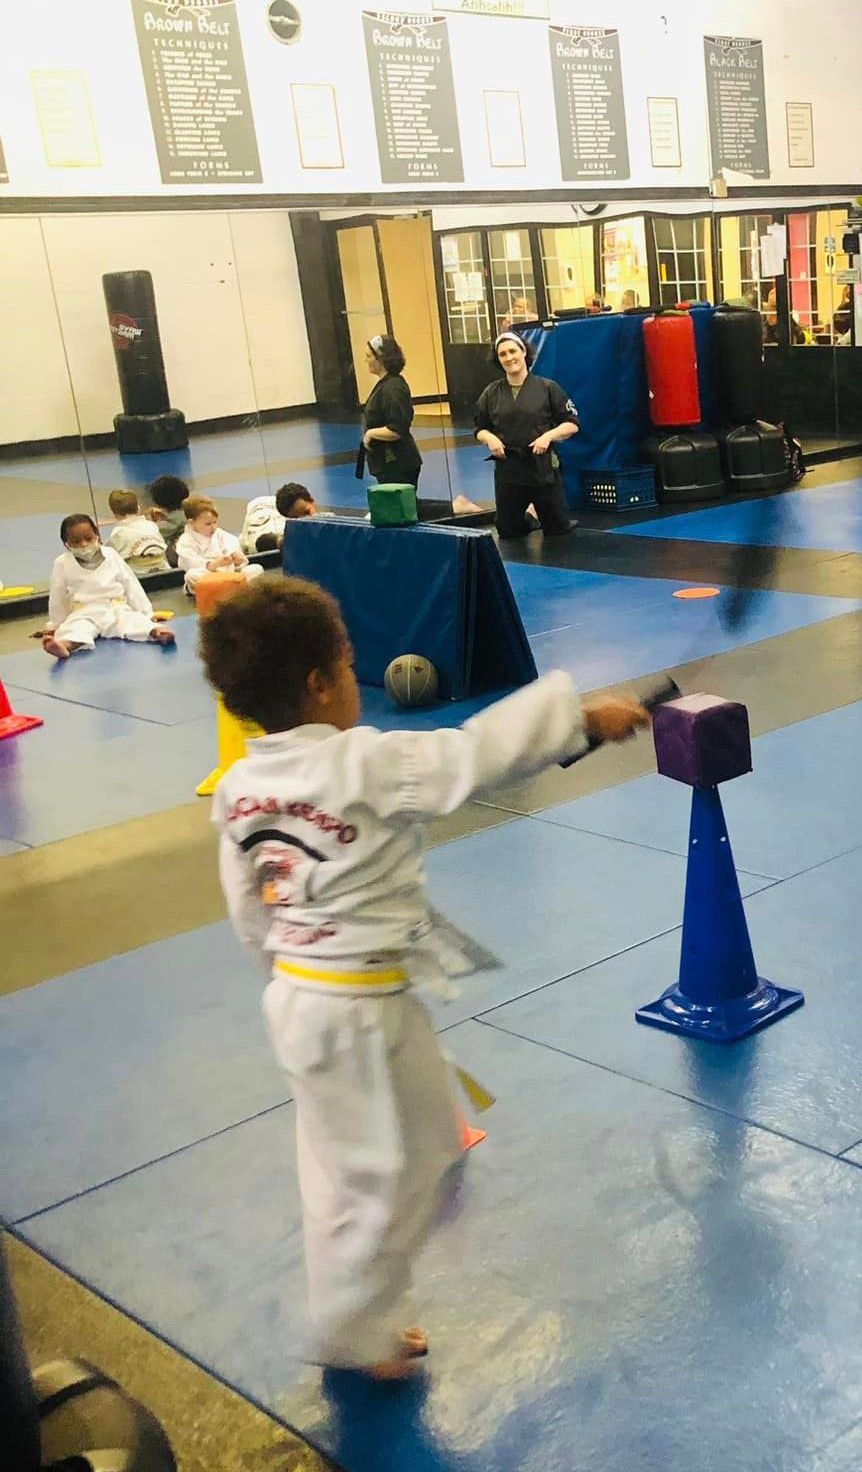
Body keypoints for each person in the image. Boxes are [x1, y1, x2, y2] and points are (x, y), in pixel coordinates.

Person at [201, 576, 650, 1377]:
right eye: (349, 665)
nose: (356, 679)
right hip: (354, 1012)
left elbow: (247, 903)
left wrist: (287, 968)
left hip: (312, 998)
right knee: (376, 1179)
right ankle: (352, 1330)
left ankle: (359, 1307)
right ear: (321, 683)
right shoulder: (365, 762)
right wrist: (582, 718)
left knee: (409, 1148)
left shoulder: (239, 788)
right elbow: (475, 755)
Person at [474, 331, 580, 539]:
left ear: (523, 352)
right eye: (502, 354)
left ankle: (540, 512)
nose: (509, 357)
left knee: (558, 529)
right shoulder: (491, 393)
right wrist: (490, 438)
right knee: (508, 531)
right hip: (509, 469)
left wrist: (548, 436)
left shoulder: (548, 388)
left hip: (541, 467)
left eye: (512, 351)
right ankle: (530, 516)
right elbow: (480, 428)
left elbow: (572, 424)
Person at [39, 514, 175, 661]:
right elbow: (57, 595)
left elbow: (130, 583)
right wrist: (55, 624)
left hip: (115, 607)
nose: (84, 544)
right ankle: (65, 645)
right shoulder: (62, 563)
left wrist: (146, 612)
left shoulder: (111, 555)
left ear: (97, 535)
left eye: (88, 538)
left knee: (133, 621)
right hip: (85, 612)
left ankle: (157, 632)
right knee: (76, 629)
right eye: (76, 542)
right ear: (66, 544)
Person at [359, 335, 424, 490]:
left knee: (401, 502)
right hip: (388, 463)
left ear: (381, 359)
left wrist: (370, 434)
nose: (365, 360)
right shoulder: (385, 385)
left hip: (396, 462)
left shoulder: (393, 388)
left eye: (369, 356)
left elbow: (397, 429)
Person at [176, 496, 261, 594]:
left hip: (230, 574)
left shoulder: (219, 534)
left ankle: (229, 588)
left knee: (255, 569)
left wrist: (236, 559)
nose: (213, 527)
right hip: (209, 576)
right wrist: (213, 565)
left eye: (215, 522)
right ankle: (231, 588)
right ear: (191, 523)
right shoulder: (185, 541)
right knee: (192, 575)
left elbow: (233, 547)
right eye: (208, 524)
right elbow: (190, 563)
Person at [240, 482, 319, 556]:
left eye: (307, 512)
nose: (306, 520)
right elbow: (261, 542)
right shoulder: (289, 537)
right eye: (297, 520)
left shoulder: (325, 524)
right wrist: (281, 542)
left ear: (312, 500)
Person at [105, 488, 168, 575]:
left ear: (114, 513)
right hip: (165, 573)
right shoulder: (152, 526)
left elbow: (108, 560)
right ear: (138, 508)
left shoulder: (117, 535)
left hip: (138, 578)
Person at [148, 473, 190, 565]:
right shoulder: (187, 512)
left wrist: (150, 522)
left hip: (180, 560)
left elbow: (152, 533)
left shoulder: (174, 520)